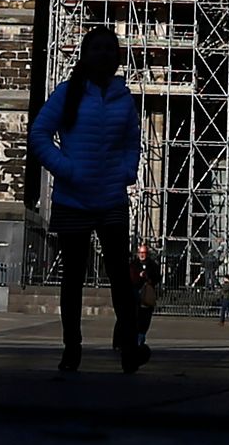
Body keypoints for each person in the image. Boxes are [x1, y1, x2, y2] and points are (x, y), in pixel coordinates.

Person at [27, 23, 149, 373]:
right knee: (73, 278)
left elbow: (131, 141)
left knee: (120, 279)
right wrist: (67, 170)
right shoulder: (68, 93)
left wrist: (128, 171)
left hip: (111, 197)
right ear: (85, 54)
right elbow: (38, 135)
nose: (104, 55)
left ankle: (129, 349)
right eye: (97, 49)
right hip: (73, 199)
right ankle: (72, 349)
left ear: (117, 57)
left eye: (110, 49)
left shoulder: (123, 98)